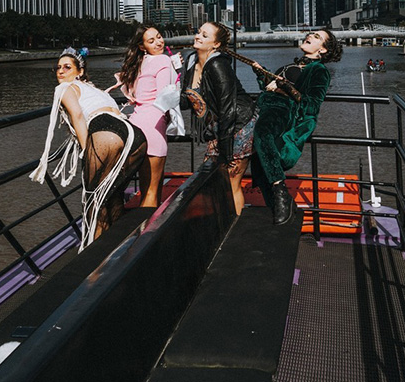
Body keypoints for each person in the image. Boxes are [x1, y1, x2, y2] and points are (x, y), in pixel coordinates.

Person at [30, 47, 147, 249]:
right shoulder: (95, 90)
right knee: (113, 195)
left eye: (67, 67)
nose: (61, 72)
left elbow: (76, 116)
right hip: (135, 136)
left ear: (80, 71)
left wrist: (86, 152)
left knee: (95, 205)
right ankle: (119, 254)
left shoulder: (65, 88)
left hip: (105, 132)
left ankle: (95, 266)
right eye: (58, 68)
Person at [251, 29, 343, 225]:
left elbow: (311, 104)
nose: (309, 36)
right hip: (263, 107)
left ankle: (280, 190)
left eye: (317, 37)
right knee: (259, 167)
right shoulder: (291, 65)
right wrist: (262, 74)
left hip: (282, 111)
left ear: (323, 50)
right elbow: (271, 86)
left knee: (263, 133)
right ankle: (286, 210)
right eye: (311, 33)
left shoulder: (319, 71)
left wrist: (285, 87)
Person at [180, 22, 256, 215]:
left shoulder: (217, 64)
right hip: (219, 127)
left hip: (238, 125)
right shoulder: (190, 61)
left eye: (205, 35)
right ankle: (220, 225)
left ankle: (235, 229)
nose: (198, 36)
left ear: (215, 45)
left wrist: (226, 149)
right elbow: (186, 100)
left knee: (231, 180)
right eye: (198, 32)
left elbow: (227, 108)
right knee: (213, 178)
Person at [114, 25, 181, 208]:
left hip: (136, 123)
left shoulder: (140, 63)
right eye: (151, 41)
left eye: (159, 37)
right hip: (154, 124)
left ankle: (142, 229)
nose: (159, 42)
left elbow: (135, 94)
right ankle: (147, 233)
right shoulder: (163, 60)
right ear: (142, 46)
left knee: (145, 187)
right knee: (153, 190)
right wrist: (176, 72)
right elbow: (164, 96)